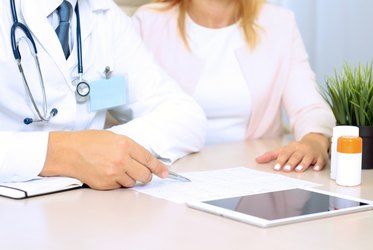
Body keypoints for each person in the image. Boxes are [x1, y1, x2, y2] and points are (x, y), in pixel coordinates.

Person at [0, 0, 207, 189]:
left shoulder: (105, 15)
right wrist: (59, 153)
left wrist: (106, 147)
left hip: (88, 205)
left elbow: (187, 116)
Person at [132, 0, 335, 173]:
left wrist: (315, 140)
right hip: (168, 174)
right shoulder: (148, 22)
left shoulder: (278, 22)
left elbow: (309, 105)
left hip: (257, 177)